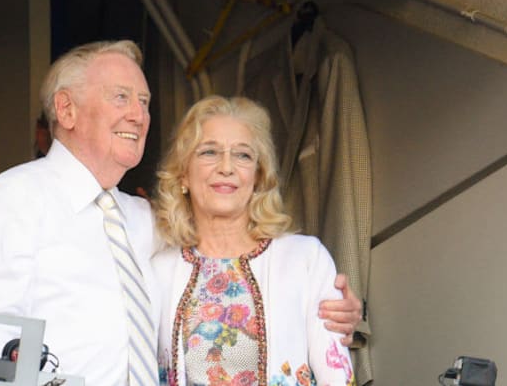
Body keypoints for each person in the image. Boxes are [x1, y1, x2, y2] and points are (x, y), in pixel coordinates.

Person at [0, 40, 360, 385]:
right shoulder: (16, 198)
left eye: (144, 101)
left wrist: (337, 307)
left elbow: (218, 241)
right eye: (121, 97)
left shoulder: (142, 219)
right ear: (66, 109)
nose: (139, 114)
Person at [152, 95, 356, 385]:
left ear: (259, 176)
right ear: (183, 173)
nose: (226, 167)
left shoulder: (306, 259)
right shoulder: (158, 269)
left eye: (243, 155)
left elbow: (336, 376)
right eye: (209, 152)